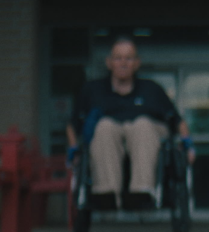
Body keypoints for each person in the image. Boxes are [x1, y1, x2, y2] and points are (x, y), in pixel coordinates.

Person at [66, 36, 195, 209]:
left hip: (147, 132)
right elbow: (72, 125)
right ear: (109, 62)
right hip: (109, 134)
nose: (123, 63)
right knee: (104, 126)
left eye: (129, 58)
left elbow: (178, 121)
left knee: (141, 124)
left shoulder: (152, 89)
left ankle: (142, 191)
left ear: (137, 62)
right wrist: (73, 149)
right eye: (118, 58)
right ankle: (107, 192)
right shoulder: (93, 90)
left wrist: (188, 146)